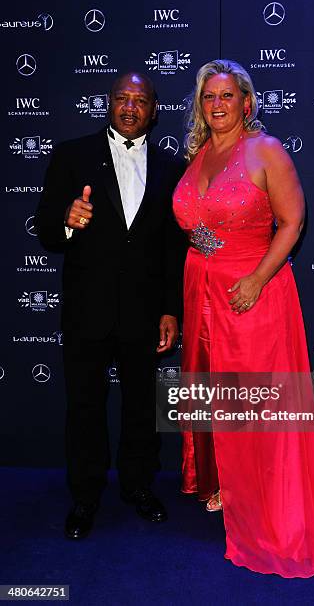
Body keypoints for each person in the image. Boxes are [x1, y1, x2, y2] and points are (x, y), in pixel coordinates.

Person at [172, 59, 314, 576]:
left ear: (246, 101)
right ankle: (226, 487)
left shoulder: (265, 150)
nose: (216, 105)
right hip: (202, 292)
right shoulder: (197, 155)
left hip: (252, 292)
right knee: (217, 395)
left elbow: (292, 220)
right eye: (208, 97)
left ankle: (272, 510)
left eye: (226, 96)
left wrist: (258, 278)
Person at [36, 72, 186, 539]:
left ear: (154, 110)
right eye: (122, 98)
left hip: (144, 312)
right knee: (85, 406)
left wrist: (169, 309)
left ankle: (139, 486)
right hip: (87, 308)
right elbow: (44, 228)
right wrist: (66, 219)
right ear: (108, 103)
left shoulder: (170, 167)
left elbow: (171, 249)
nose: (129, 107)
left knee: (141, 406)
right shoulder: (71, 155)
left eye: (140, 100)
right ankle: (85, 496)